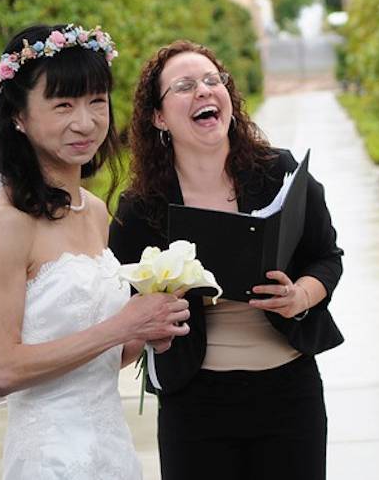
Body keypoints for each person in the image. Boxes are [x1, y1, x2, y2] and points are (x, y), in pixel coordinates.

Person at [0, 24, 190, 479]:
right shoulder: (8, 222)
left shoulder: (97, 210)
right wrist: (120, 325)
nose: (85, 122)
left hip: (113, 450)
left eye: (96, 102)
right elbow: (2, 370)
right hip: (50, 459)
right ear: (18, 117)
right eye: (63, 105)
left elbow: (104, 353)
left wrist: (142, 333)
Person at [108, 40, 344, 480]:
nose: (203, 90)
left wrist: (300, 296)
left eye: (212, 80)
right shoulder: (140, 209)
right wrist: (152, 327)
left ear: (228, 100)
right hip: (194, 400)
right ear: (158, 117)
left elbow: (327, 258)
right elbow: (123, 312)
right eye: (184, 86)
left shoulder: (280, 173)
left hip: (288, 391)